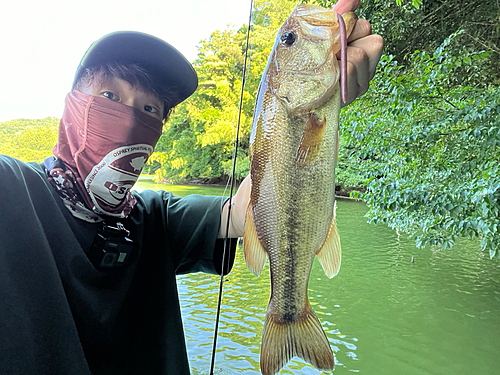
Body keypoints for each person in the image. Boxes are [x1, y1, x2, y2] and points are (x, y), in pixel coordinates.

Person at [0, 0, 383, 373]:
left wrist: (311, 109)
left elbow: (250, 206)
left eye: (150, 110)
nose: (130, 119)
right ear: (72, 104)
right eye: (110, 96)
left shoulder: (155, 219)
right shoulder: (11, 188)